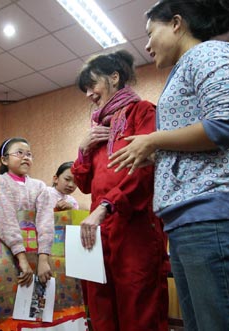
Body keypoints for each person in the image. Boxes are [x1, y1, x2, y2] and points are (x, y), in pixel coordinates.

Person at [108, 1, 229, 330]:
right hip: (184, 221)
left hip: (208, 214)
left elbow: (224, 123)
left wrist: (155, 140)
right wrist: (156, 153)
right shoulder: (184, 68)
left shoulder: (207, 54)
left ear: (176, 23)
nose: (146, 45)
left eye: (151, 33)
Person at [71, 50, 169, 331]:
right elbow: (85, 183)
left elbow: (145, 171)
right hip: (99, 227)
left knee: (139, 307)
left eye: (93, 85)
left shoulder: (143, 111)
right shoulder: (97, 128)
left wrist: (106, 206)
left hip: (134, 224)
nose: (89, 94)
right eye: (86, 89)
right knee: (100, 306)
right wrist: (83, 149)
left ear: (115, 77)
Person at [0, 137, 54, 287]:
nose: (25, 157)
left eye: (29, 154)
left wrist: (43, 259)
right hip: (8, 251)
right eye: (19, 153)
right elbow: (5, 220)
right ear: (5, 160)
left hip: (38, 255)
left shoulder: (40, 186)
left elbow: (46, 221)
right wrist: (22, 259)